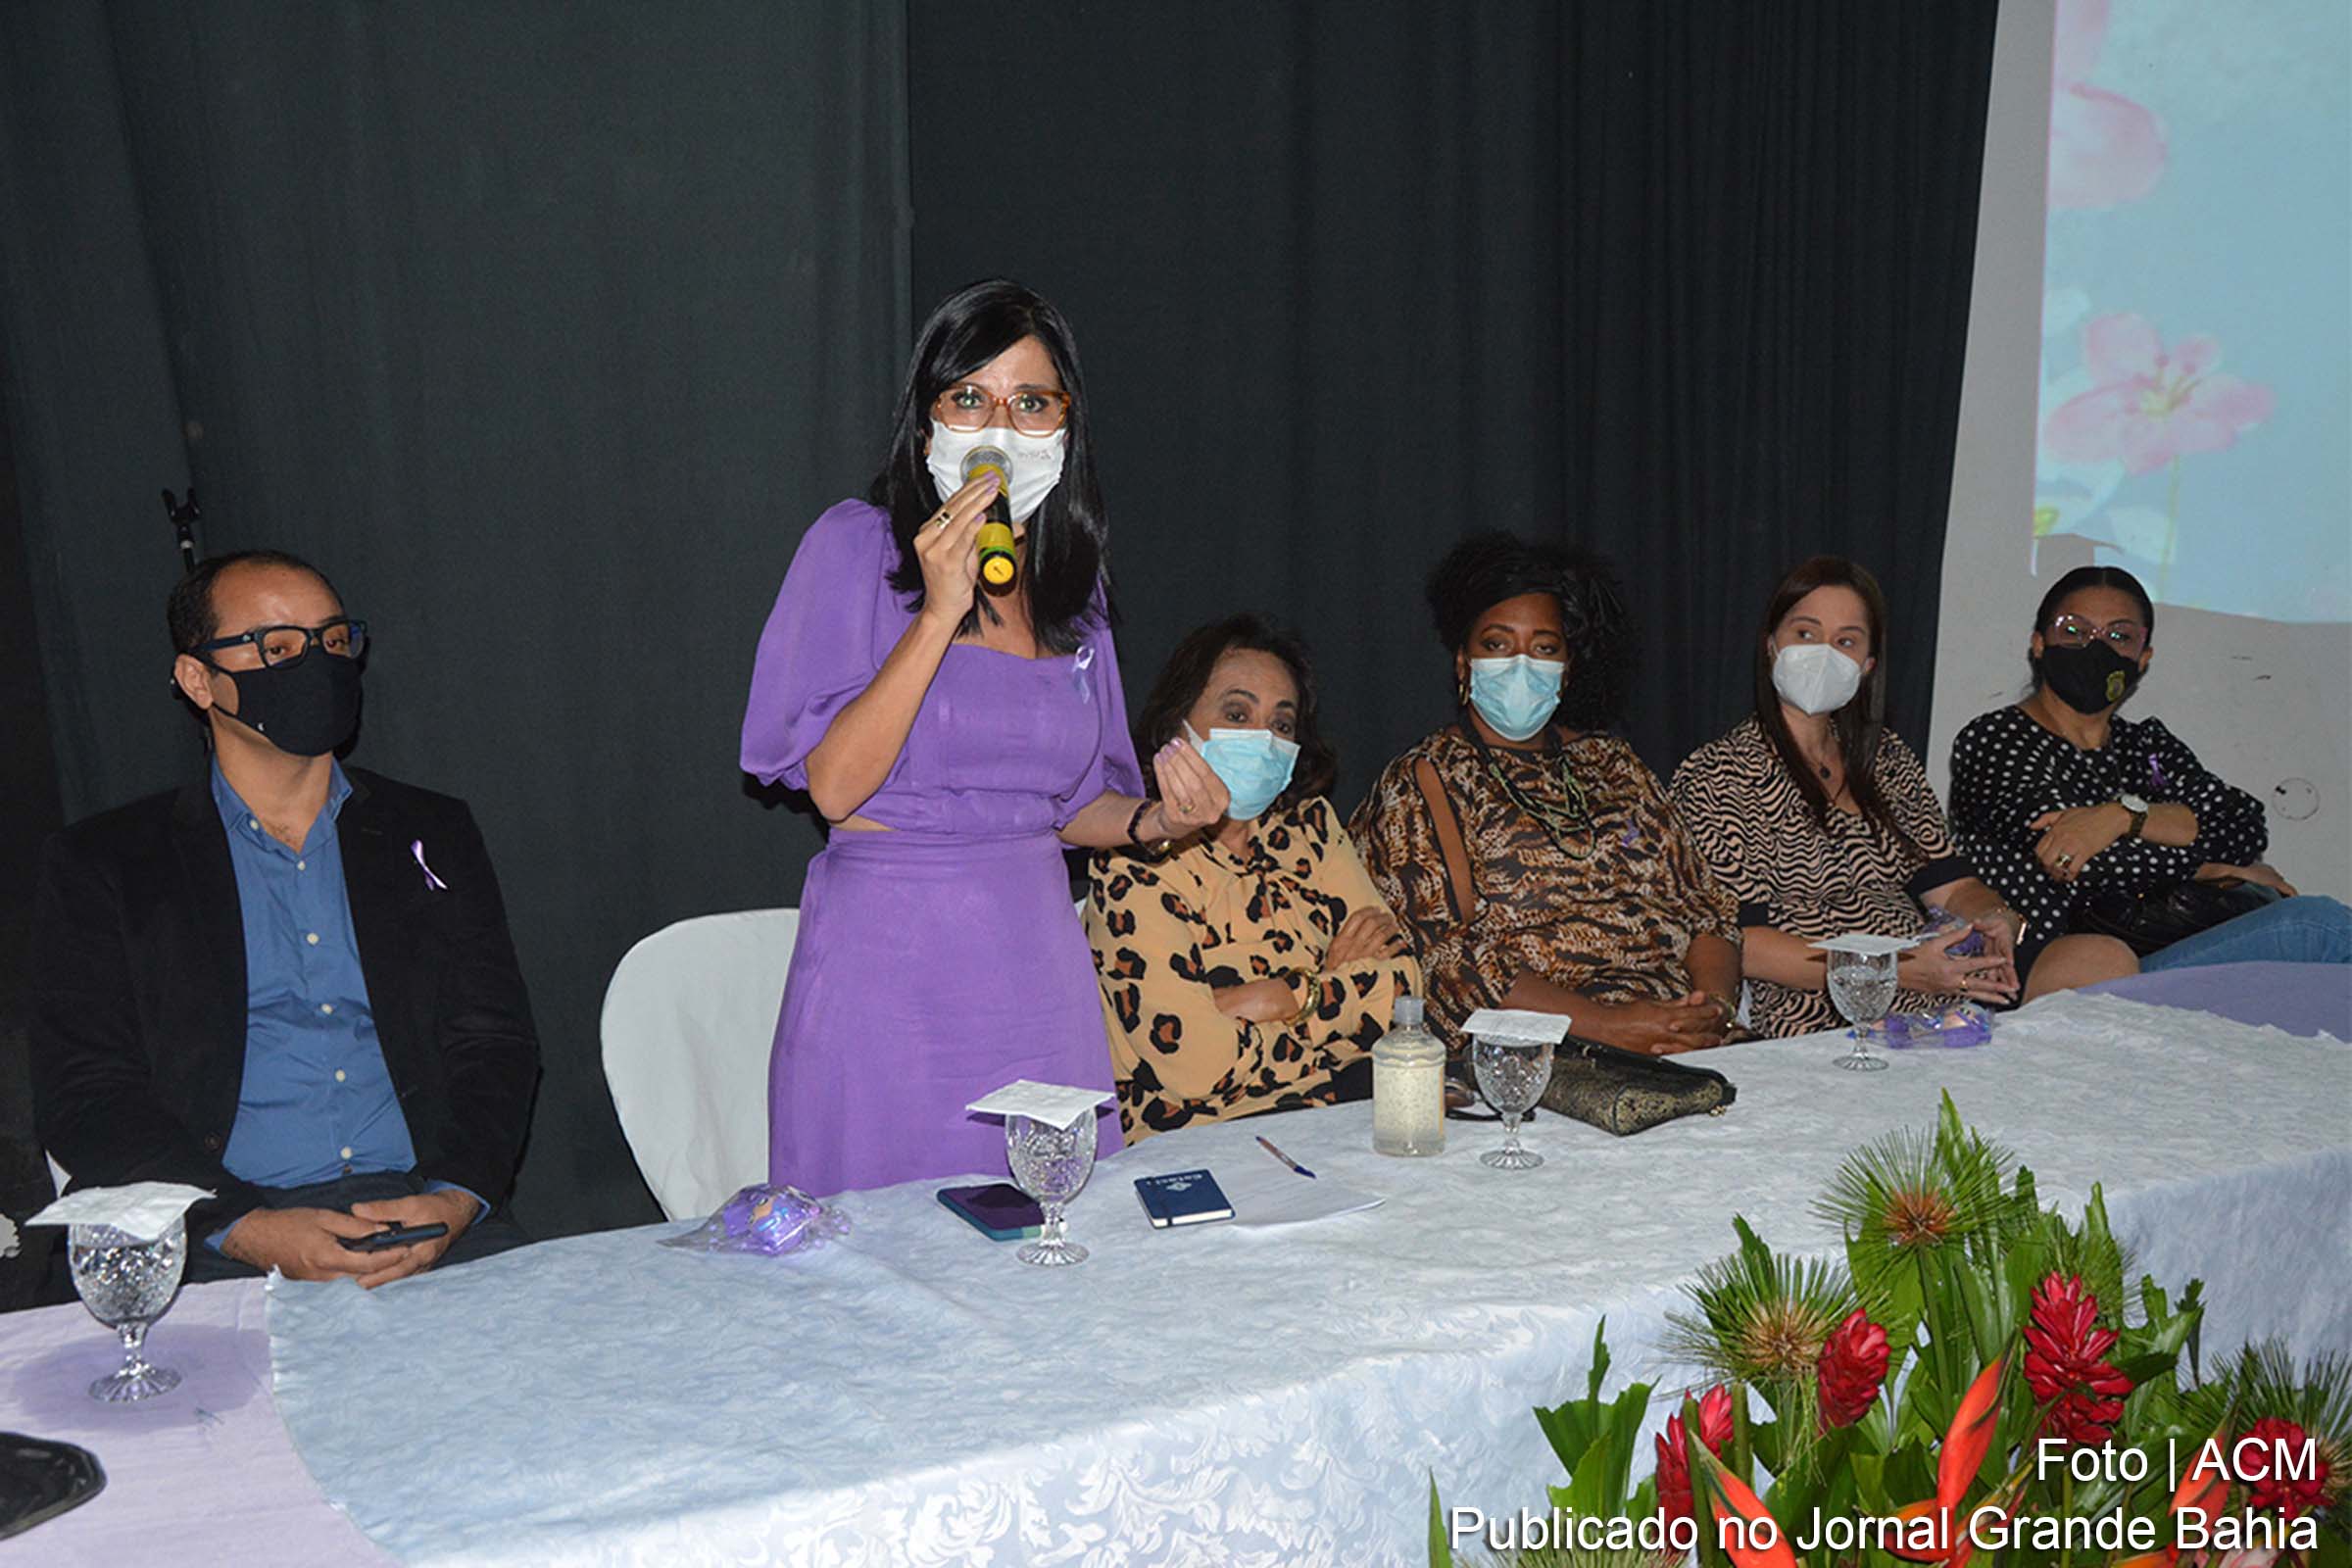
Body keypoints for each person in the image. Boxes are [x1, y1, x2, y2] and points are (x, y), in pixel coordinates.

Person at [742, 280, 1228, 1196]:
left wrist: (1164, 821)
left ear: (1066, 428)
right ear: (927, 422)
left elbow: (1075, 804)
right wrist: (937, 615)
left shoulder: (1072, 595)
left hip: (1036, 976)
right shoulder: (853, 549)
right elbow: (835, 789)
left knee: (1050, 1263)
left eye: (1031, 402)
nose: (999, 427)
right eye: (970, 397)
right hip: (888, 980)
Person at [30, 551, 538, 1289]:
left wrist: (456, 1198)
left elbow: (494, 1040)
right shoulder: (106, 863)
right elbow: (85, 1091)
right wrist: (245, 1228)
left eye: (332, 641)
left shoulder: (428, 831)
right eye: (278, 647)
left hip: (420, 1212)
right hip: (209, 1231)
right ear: (198, 679)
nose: (316, 664)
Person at [1671, 558, 2129, 1038]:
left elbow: (1951, 885)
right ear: (1771, 646)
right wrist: (1894, 967)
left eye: (1845, 641)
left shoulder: (1886, 758)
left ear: (1867, 666)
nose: (1824, 653)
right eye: (1805, 634)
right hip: (1823, 1003)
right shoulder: (1717, 774)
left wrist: (1995, 918)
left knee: (2101, 958)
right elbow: (1741, 943)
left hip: (1938, 981)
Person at [1351, 532, 1743, 1056]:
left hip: (1685, 1034)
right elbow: (1445, 960)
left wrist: (1710, 1010)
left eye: (1544, 647)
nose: (1521, 664)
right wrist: (1608, 1026)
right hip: (1540, 1050)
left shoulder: (1615, 765)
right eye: (1497, 644)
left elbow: (1705, 910)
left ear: (1566, 668)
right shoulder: (1424, 781)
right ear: (1463, 663)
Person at [1085, 615, 1421, 1141]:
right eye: (1237, 714)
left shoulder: (1311, 831)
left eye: (1282, 725)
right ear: (1178, 724)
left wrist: (1278, 998)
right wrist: (1328, 988)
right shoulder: (1134, 860)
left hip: (1337, 1122)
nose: (1263, 739)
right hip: (1199, 1141)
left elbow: (1400, 992)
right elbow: (1196, 1067)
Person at [1949, 564, 2350, 973]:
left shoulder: (2146, 745)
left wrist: (2121, 818)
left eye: (2120, 636)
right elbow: (2071, 860)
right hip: (2059, 967)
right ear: (2038, 643)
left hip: (2158, 949)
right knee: (2317, 927)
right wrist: (2209, 869)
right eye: (2074, 630)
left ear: (2143, 659)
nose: (2096, 648)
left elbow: (2241, 825)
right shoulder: (1997, 740)